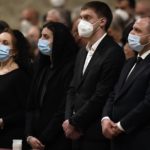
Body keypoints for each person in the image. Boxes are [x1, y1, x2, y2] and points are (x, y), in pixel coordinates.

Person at [62, 1, 125, 150]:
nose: (82, 22)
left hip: (94, 132)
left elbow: (101, 95)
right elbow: (72, 88)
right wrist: (68, 120)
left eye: (87, 17)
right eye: (81, 17)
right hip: (74, 131)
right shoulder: (83, 50)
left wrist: (75, 122)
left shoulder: (113, 52)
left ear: (102, 21)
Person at [25, 22, 78, 150]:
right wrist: (29, 135)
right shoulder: (43, 66)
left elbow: (62, 109)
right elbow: (31, 105)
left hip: (56, 140)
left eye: (46, 37)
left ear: (59, 41)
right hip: (34, 138)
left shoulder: (70, 68)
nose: (41, 40)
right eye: (41, 36)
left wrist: (43, 139)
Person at [101, 17, 150, 150]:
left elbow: (147, 103)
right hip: (116, 138)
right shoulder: (129, 62)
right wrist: (105, 118)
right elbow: (114, 94)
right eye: (132, 29)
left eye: (137, 30)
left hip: (138, 138)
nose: (131, 33)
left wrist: (121, 126)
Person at [0, 29, 31, 148]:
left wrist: (4, 120)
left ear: (14, 51)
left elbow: (26, 111)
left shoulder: (19, 76)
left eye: (5, 43)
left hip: (10, 137)